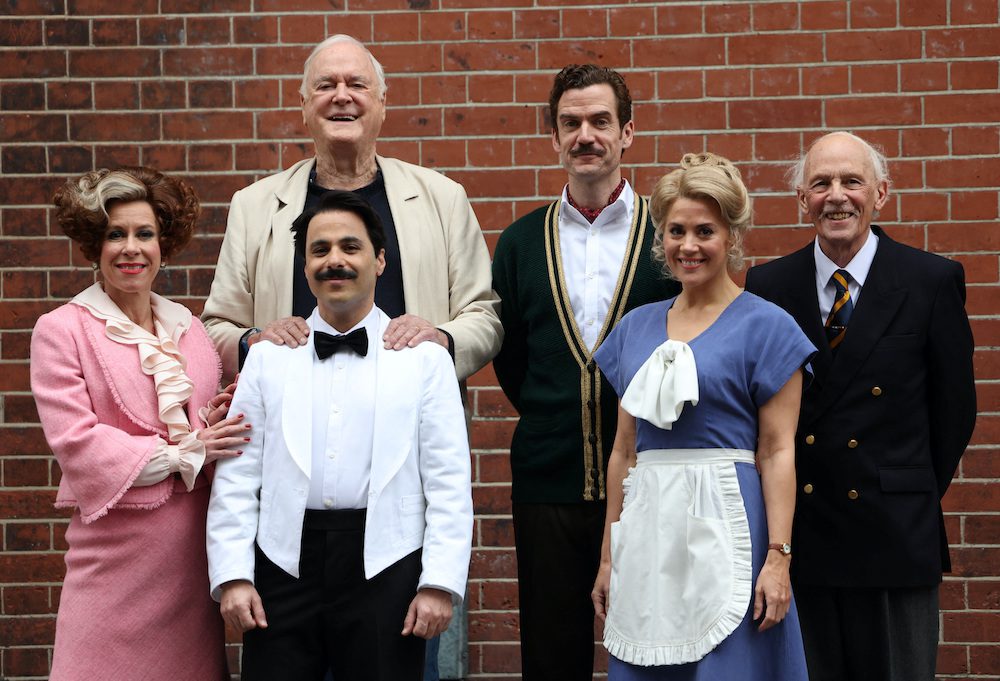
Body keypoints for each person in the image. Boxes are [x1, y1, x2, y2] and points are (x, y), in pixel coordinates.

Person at [206, 190, 474, 681]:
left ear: (380, 260)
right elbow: (237, 473)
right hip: (282, 563)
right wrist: (234, 575)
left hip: (388, 562)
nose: (335, 261)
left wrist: (439, 583)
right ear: (304, 266)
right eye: (320, 249)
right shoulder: (267, 356)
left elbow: (449, 481)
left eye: (350, 247)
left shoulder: (425, 359)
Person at [744, 131, 977, 681]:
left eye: (852, 181)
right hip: (805, 536)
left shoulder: (930, 280)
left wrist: (902, 483)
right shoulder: (768, 285)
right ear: (803, 199)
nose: (837, 195)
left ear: (881, 194)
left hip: (894, 535)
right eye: (821, 183)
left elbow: (954, 413)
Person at [591, 153, 814, 680]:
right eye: (676, 231)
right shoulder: (635, 329)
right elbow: (624, 451)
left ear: (731, 236)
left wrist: (778, 558)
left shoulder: (767, 326)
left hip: (731, 523)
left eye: (704, 231)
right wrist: (608, 557)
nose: (688, 246)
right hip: (648, 532)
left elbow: (778, 450)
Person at [491, 64, 679, 680]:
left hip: (655, 474)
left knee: (659, 644)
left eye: (601, 121)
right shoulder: (520, 242)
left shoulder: (671, 235)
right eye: (570, 123)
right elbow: (513, 358)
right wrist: (559, 412)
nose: (586, 135)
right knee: (551, 650)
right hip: (549, 476)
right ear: (554, 137)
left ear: (628, 132)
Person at [30, 167, 243, 680]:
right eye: (115, 235)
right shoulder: (61, 330)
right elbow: (78, 444)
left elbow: (202, 426)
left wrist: (216, 416)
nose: (131, 248)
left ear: (163, 244)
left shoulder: (189, 328)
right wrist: (186, 453)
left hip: (190, 565)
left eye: (144, 234)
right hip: (112, 563)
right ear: (93, 246)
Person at [201, 34, 500, 385]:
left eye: (357, 84)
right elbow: (215, 327)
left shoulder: (443, 199)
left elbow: (483, 315)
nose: (341, 96)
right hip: (290, 422)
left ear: (382, 103)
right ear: (304, 105)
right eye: (326, 85)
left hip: (412, 420)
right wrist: (255, 341)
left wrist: (442, 340)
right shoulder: (253, 206)